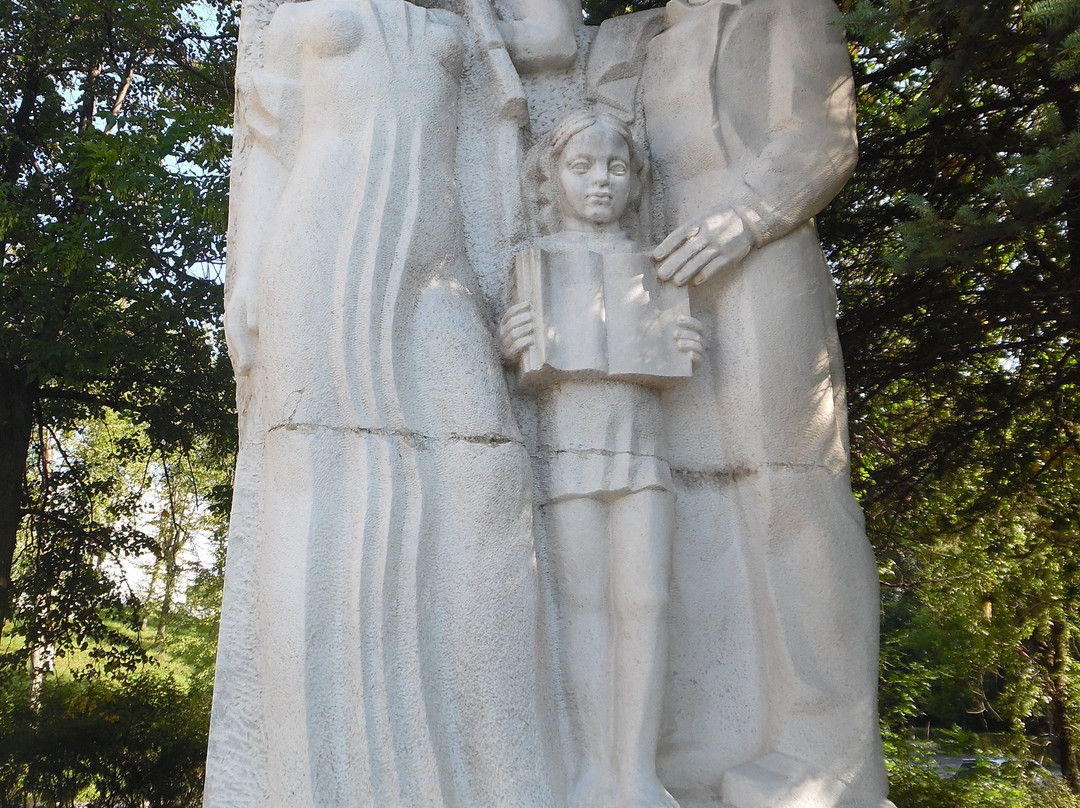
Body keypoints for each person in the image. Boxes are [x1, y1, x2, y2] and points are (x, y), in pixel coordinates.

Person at [206, 0, 555, 805]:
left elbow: (510, 126)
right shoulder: (304, 14)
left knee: (490, 487)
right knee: (320, 485)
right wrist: (246, 273)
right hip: (321, 235)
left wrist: (512, 284)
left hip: (442, 259)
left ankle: (510, 772)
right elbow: (264, 148)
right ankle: (314, 778)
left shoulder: (455, 27)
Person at [583, 0, 896, 805]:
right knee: (685, 496)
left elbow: (827, 134)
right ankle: (712, 733)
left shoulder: (784, 8)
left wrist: (745, 215)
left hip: (759, 256)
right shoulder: (628, 37)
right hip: (657, 271)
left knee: (790, 489)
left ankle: (828, 750)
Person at [500, 109, 704, 808]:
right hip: (568, 441)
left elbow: (677, 357)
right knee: (584, 605)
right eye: (581, 167)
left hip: (642, 442)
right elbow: (517, 358)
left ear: (636, 180)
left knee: (644, 599)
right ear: (551, 178)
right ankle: (594, 766)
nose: (599, 183)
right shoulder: (535, 262)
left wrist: (684, 341)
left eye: (615, 167)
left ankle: (638, 770)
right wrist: (512, 342)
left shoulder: (657, 263)